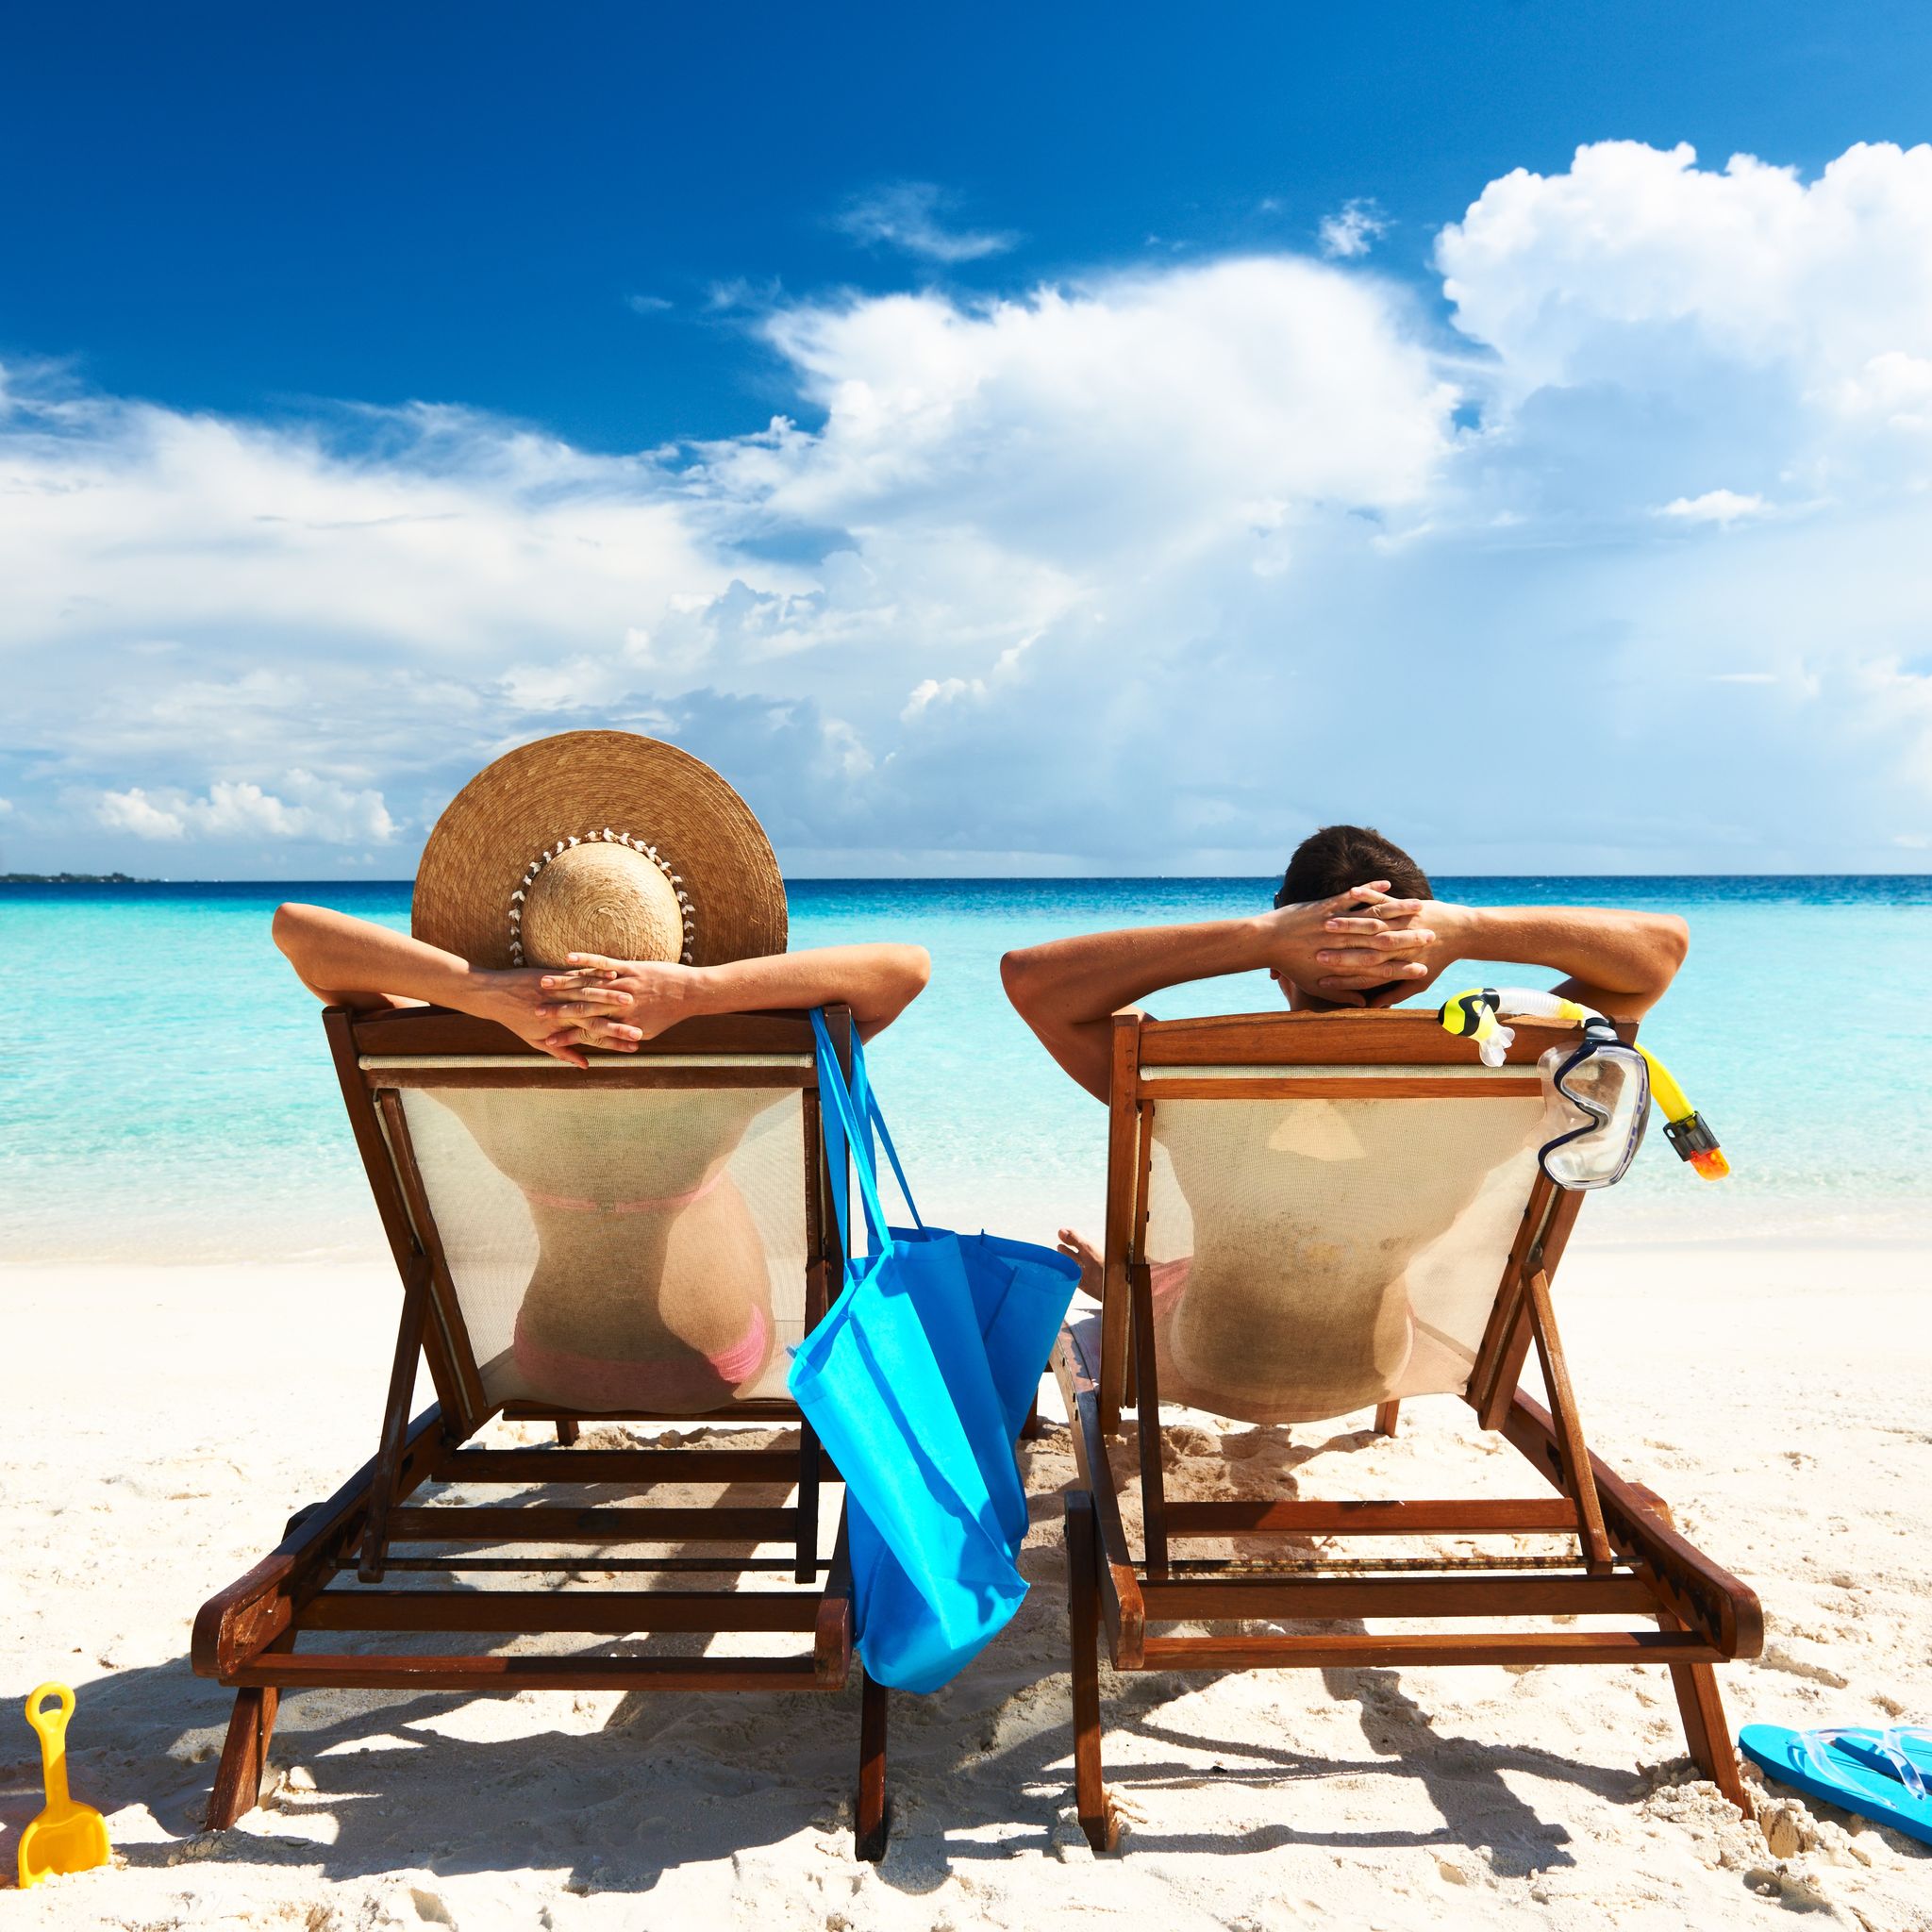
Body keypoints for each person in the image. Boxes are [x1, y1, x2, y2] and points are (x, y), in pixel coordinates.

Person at [274, 729, 929, 1413]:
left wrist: (487, 994)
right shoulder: (743, 1064)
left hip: (549, 1361)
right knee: (713, 1187)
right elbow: (906, 970)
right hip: (717, 1364)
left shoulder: (462, 1062)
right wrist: (693, 994)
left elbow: (297, 930)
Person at [1001, 824, 1690, 1349]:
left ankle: (1130, 1293)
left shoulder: (1183, 1076)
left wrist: (1262, 937)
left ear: (1283, 962)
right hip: (1378, 1352)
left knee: (1232, 1260)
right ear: (1420, 963)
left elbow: (1032, 982)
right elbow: (1658, 956)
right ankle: (1142, 1288)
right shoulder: (1494, 1074)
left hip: (1214, 1349)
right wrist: (1466, 927)